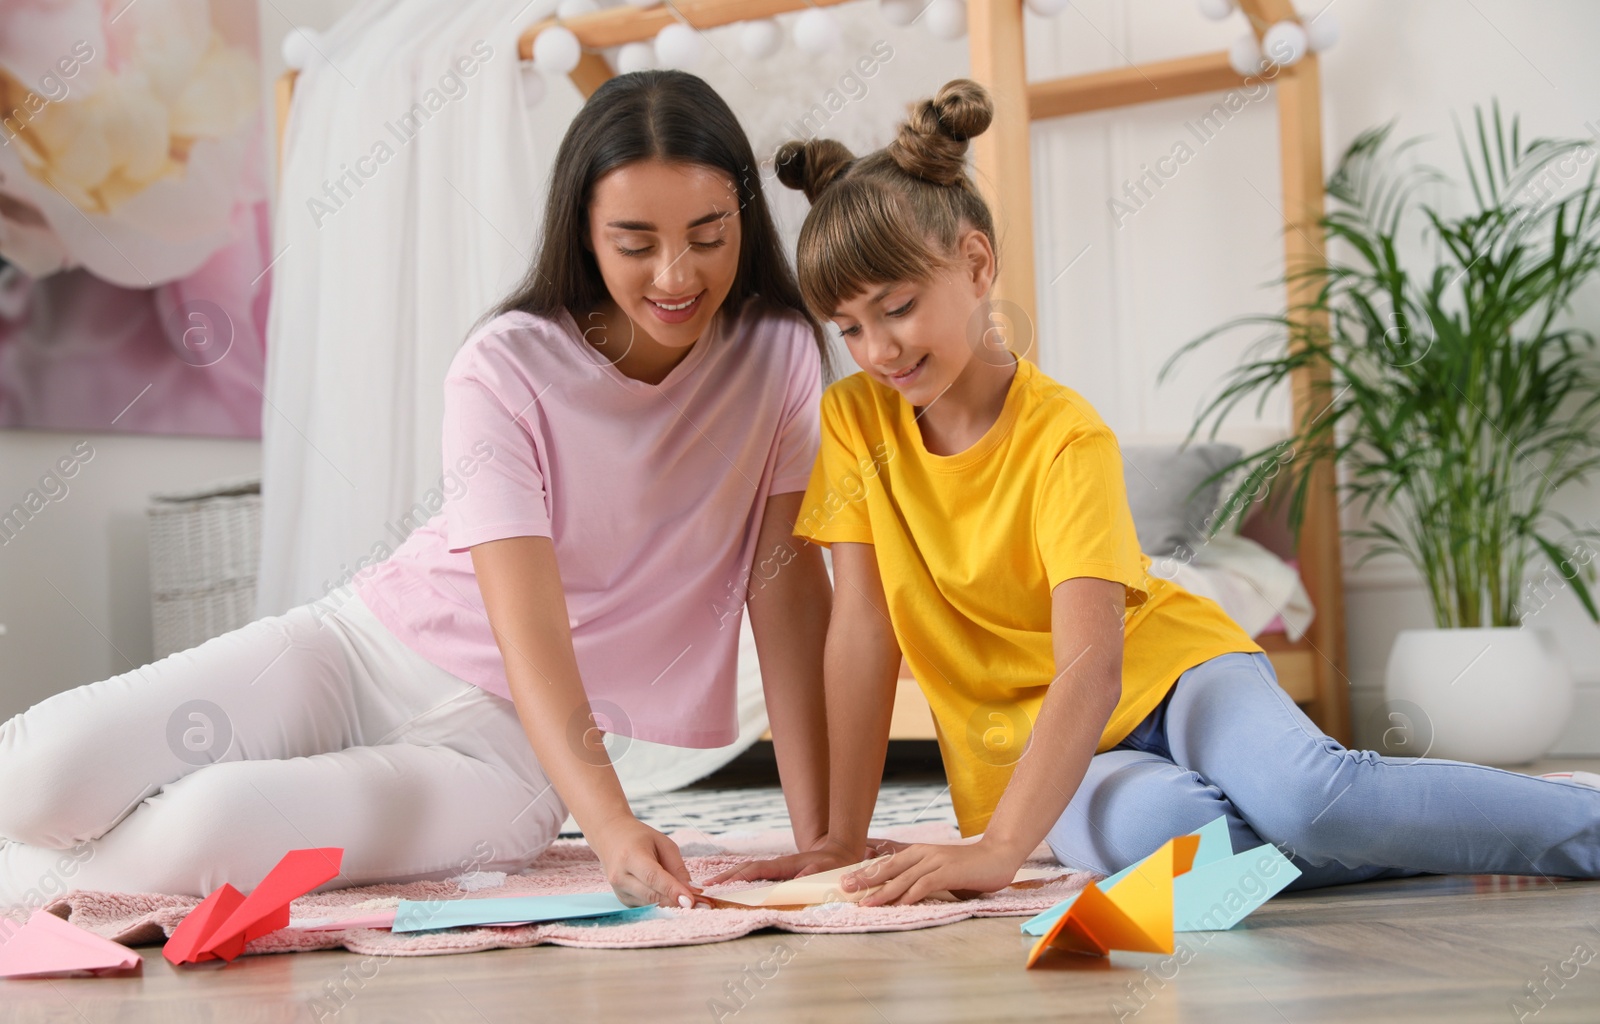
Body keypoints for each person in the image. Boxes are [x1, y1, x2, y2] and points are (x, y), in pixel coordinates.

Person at [708, 77, 1600, 905]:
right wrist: (838, 839)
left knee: (1306, 797)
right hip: (1038, 756)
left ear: (977, 264)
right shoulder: (856, 421)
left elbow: (1092, 667)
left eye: (895, 308)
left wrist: (997, 852)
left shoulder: (1066, 434)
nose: (877, 352)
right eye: (850, 327)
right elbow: (864, 632)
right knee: (1173, 836)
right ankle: (1420, 837)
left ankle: (1580, 825)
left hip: (1173, 672)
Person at [0, 70, 833, 912]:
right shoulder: (507, 363)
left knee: (204, 828)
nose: (675, 273)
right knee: (39, 773)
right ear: (583, 231)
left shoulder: (781, 356)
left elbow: (788, 591)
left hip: (508, 767)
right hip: (362, 655)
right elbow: (527, 625)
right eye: (635, 241)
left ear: (745, 219)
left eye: (707, 234)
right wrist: (614, 825)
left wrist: (820, 842)